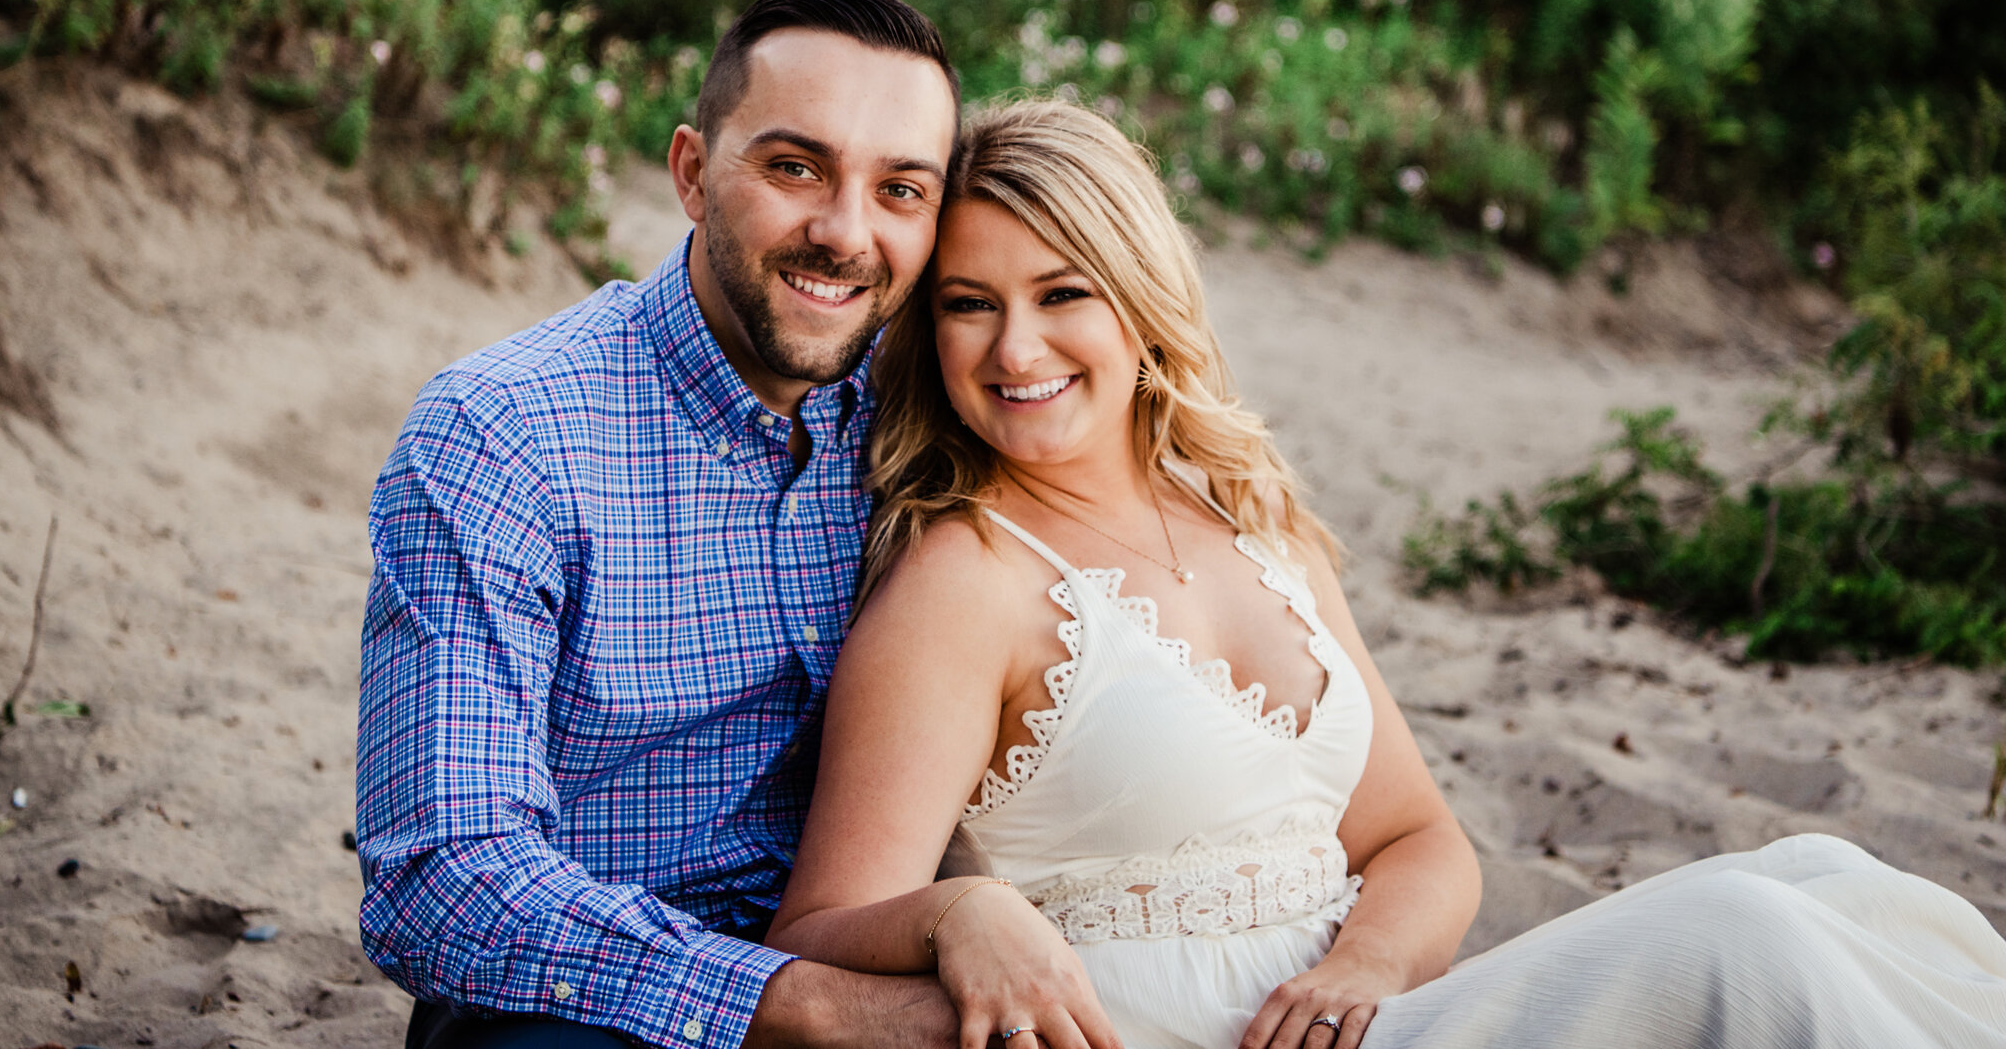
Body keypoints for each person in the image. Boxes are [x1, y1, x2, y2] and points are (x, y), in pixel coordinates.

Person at [765, 97, 2006, 1049]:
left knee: (1821, 879)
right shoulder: (960, 580)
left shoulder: (1255, 526)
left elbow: (1420, 838)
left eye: (1061, 292)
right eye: (969, 304)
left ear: (1142, 304)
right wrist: (957, 914)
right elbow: (816, 930)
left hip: (1367, 1017)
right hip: (1191, 1035)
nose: (1015, 345)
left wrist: (1365, 965)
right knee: (1740, 937)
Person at [357, 0, 973, 1049]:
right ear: (691, 171)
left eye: (900, 190)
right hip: (584, 1000)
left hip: (877, 941)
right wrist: (812, 1006)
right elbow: (441, 877)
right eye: (794, 167)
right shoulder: (505, 431)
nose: (843, 232)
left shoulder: (932, 403)